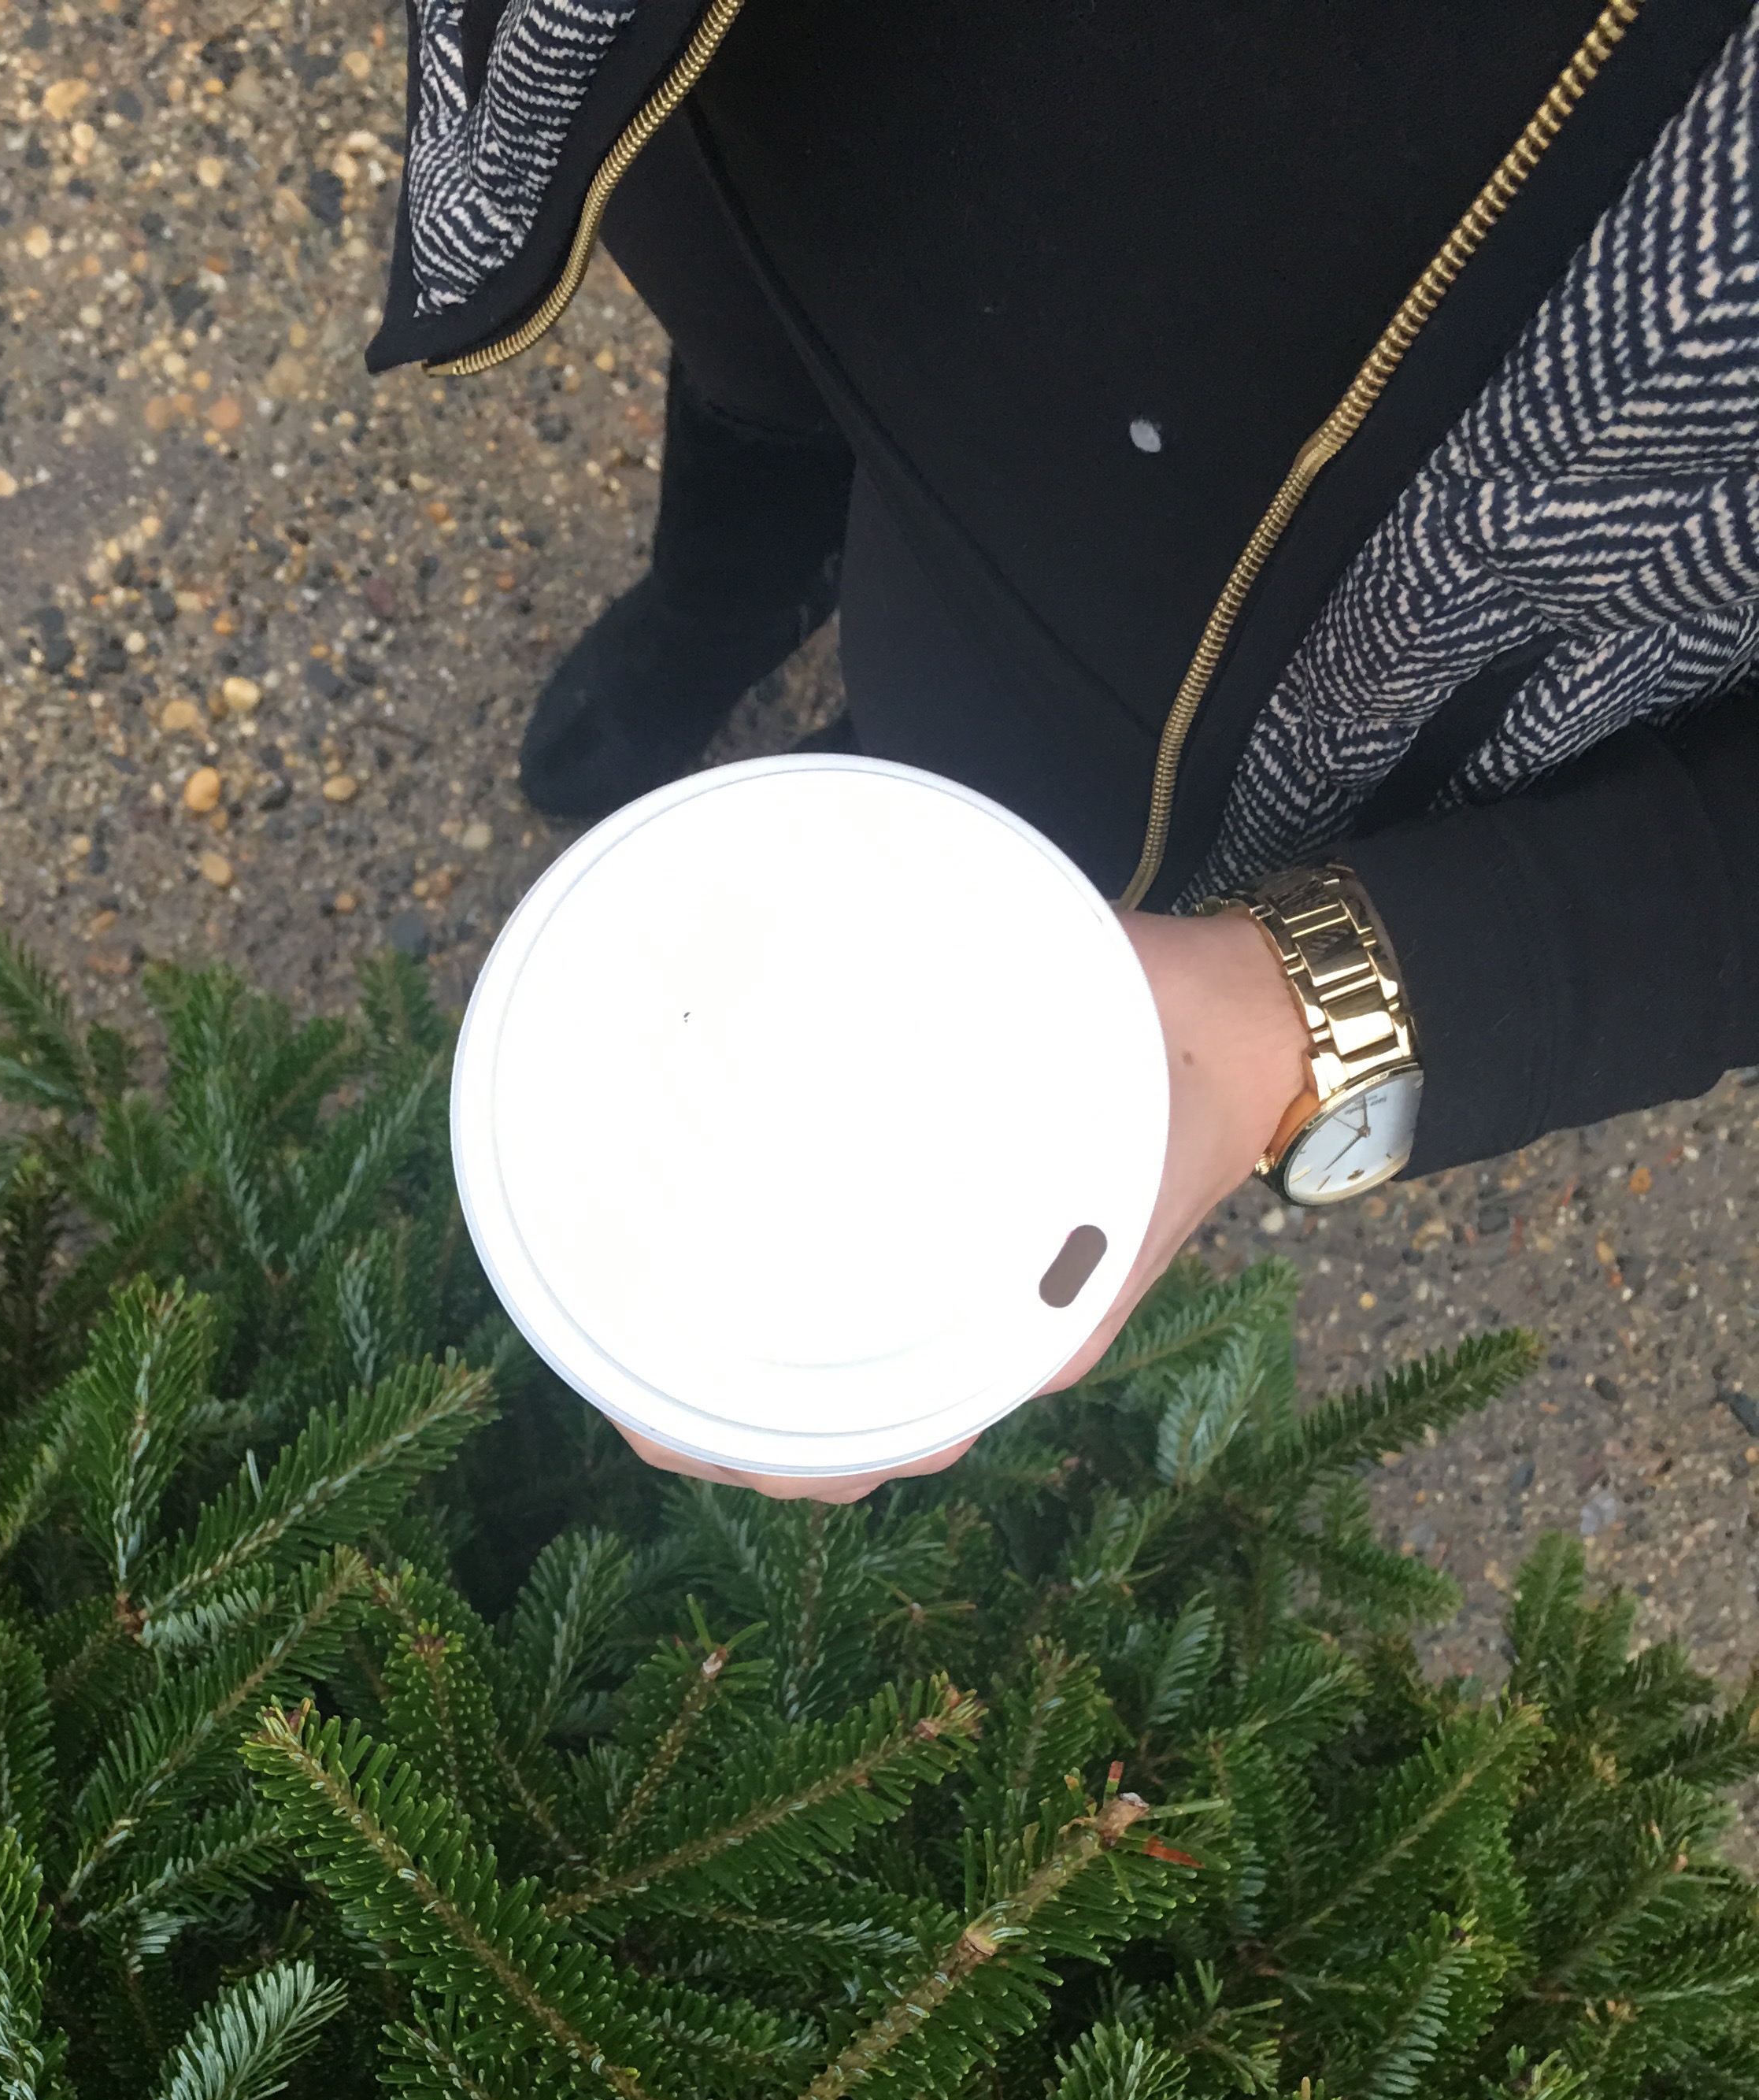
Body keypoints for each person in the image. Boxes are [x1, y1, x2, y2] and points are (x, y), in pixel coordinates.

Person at [368, 0, 1759, 1492]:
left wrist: (1299, 1008)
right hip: (769, 63)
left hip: (1194, 563)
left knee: (949, 776)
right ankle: (725, 596)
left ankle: (855, 703)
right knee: (735, 312)